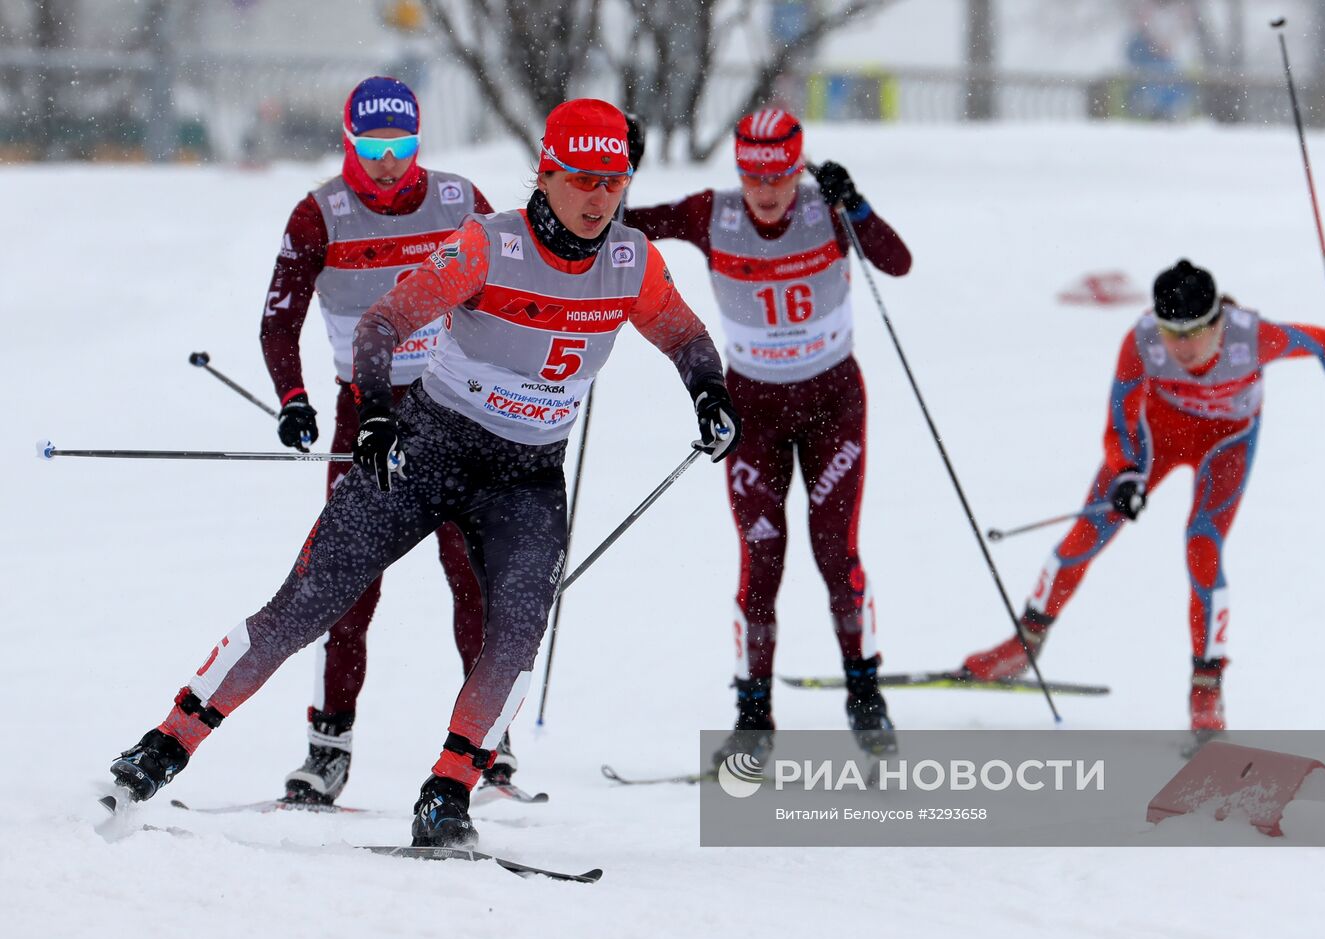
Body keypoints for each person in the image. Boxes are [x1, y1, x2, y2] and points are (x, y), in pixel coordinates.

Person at [109, 98, 740, 847]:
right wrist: (374, 412)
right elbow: (383, 323)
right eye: (582, 178)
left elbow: (685, 335)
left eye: (614, 179)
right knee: (310, 603)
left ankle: (448, 793)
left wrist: (709, 393)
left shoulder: (632, 261)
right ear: (546, 173)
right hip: (429, 448)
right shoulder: (488, 246)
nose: (600, 196)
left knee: (515, 633)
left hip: (527, 477)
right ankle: (164, 745)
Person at [961, 259, 1325, 740]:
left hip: (1227, 442)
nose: (1180, 346)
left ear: (1217, 321)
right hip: (1160, 434)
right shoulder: (1142, 340)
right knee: (1090, 528)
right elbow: (1120, 414)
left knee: (1202, 545)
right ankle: (1024, 644)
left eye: (1192, 333)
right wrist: (1125, 474)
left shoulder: (1251, 338)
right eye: (1169, 332)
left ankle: (1206, 687)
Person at [259, 76, 526, 806]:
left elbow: (516, 280)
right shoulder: (320, 214)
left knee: (471, 577)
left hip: (454, 411)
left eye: (400, 146)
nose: (386, 162)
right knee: (346, 588)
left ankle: (487, 752)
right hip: (364, 413)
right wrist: (293, 401)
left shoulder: (458, 201)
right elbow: (278, 322)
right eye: (372, 147)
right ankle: (329, 749)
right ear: (350, 142)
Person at [625, 109, 912, 763]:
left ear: (798, 166)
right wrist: (625, 171)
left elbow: (897, 263)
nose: (766, 188)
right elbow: (620, 231)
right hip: (752, 410)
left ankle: (865, 698)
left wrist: (857, 206)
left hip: (832, 403)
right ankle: (753, 717)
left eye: (780, 172)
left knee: (835, 552)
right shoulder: (711, 214)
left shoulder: (826, 209)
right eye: (753, 172)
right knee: (762, 560)